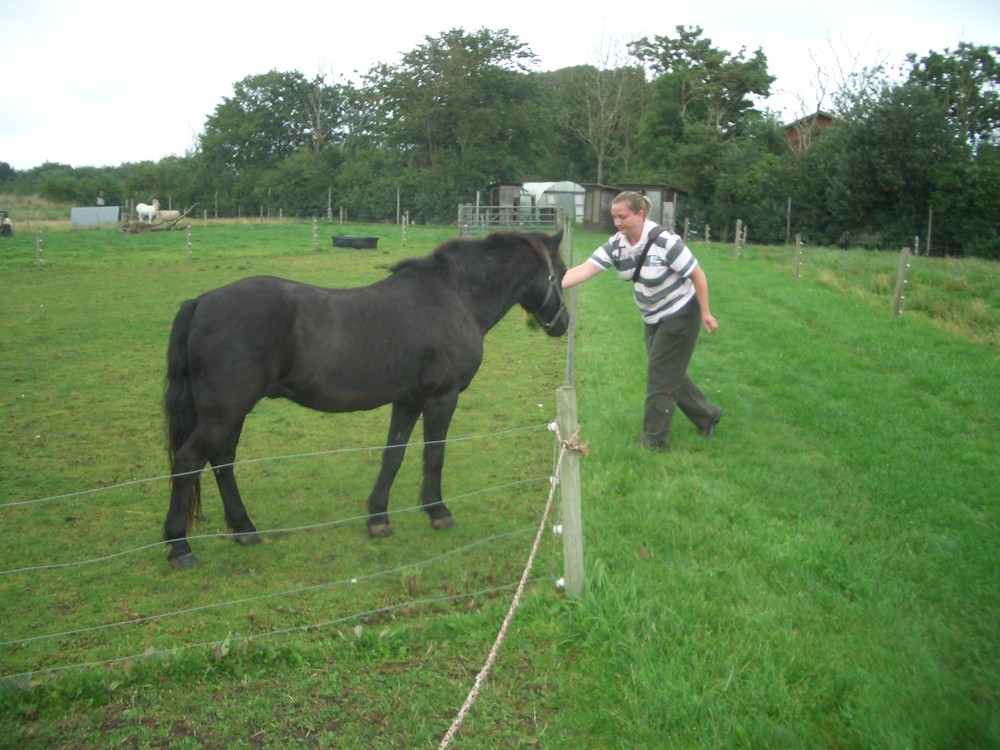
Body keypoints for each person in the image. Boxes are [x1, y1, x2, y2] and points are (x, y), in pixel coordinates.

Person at [562, 191, 721, 450]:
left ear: (640, 214)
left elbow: (697, 275)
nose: (618, 223)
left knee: (660, 376)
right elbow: (585, 269)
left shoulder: (665, 242)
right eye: (614, 217)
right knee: (669, 373)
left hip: (681, 313)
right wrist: (550, 284)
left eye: (622, 217)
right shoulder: (617, 245)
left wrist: (706, 313)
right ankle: (708, 415)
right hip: (652, 317)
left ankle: (653, 441)